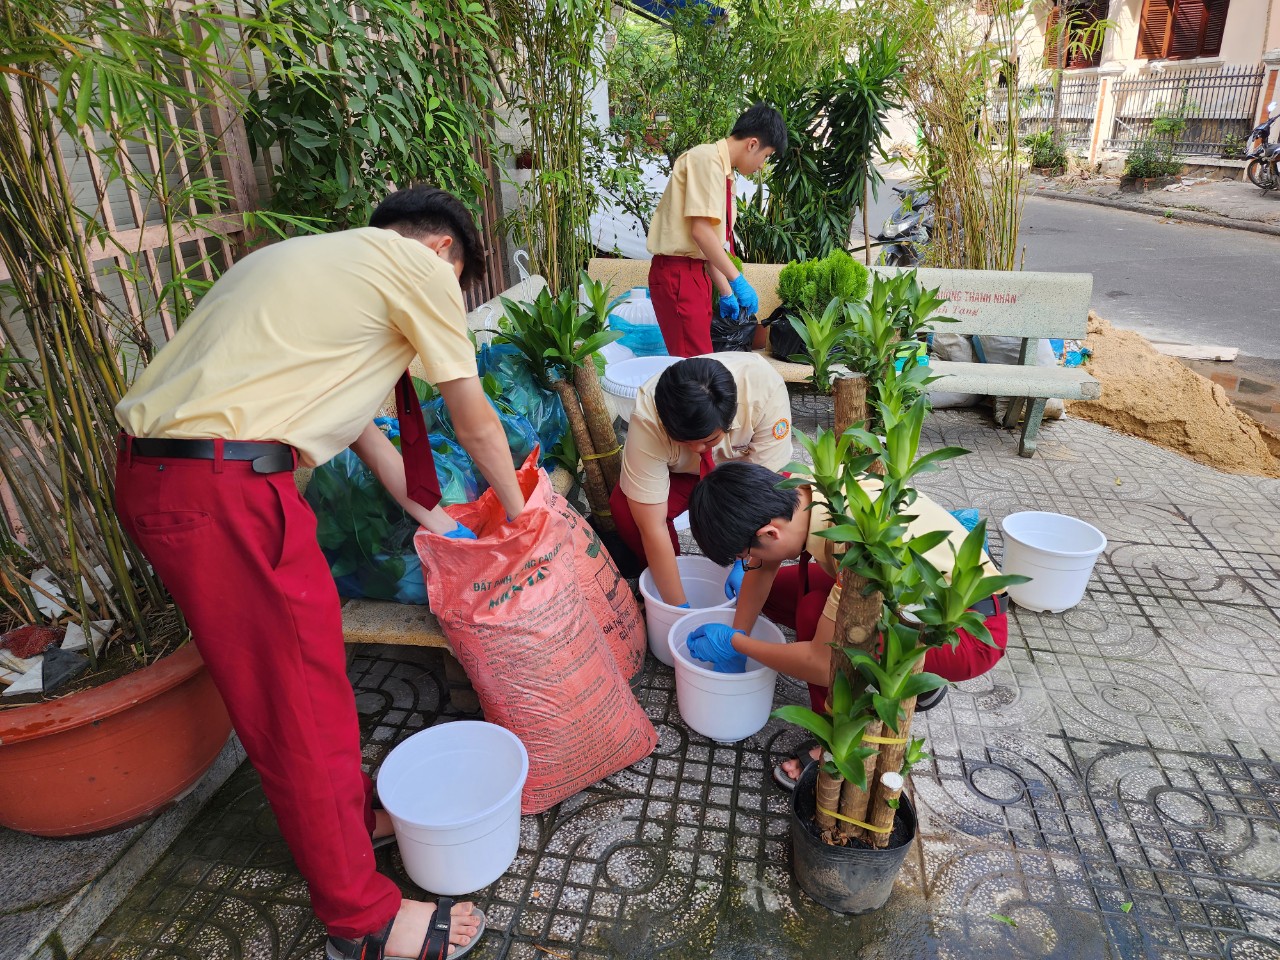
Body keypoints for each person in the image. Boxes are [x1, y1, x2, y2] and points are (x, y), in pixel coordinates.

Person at [113, 186, 519, 960]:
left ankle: (351, 819)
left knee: (302, 687)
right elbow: (473, 416)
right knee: (298, 703)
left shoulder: (322, 277)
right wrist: (520, 513)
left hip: (170, 481)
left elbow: (375, 445)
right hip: (226, 494)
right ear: (441, 253)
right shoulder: (417, 268)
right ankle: (361, 919)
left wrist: (442, 524)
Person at [686, 461, 1009, 787]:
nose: (747, 563)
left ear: (770, 533)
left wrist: (734, 643)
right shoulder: (795, 487)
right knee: (776, 594)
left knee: (814, 615)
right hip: (911, 596)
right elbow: (762, 565)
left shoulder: (856, 548)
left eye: (744, 556)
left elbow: (822, 661)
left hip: (966, 632)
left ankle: (836, 741)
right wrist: (740, 630)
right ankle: (910, 674)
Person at [610, 353, 793, 607]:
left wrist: (747, 562)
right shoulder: (648, 416)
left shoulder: (764, 393)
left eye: (709, 440)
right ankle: (662, 577)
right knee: (626, 510)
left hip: (740, 472)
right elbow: (652, 526)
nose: (697, 449)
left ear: (729, 420)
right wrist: (677, 608)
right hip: (681, 474)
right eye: (685, 441)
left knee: (775, 505)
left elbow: (767, 491)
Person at [646, 103, 788, 357]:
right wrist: (737, 280)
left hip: (694, 274)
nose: (761, 166)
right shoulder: (705, 160)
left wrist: (725, 291)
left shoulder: (725, 174)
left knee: (699, 362)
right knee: (694, 367)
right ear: (752, 144)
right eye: (766, 156)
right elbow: (699, 232)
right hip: (678, 275)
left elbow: (711, 243)